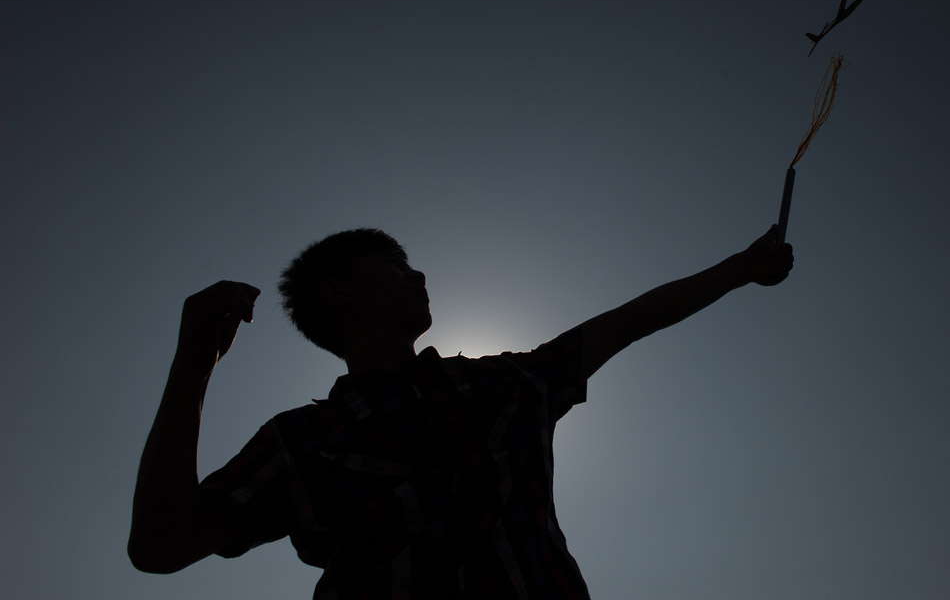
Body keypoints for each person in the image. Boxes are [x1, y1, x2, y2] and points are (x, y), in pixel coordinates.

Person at [128, 225, 793, 598]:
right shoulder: (304, 441)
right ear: (339, 293)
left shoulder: (505, 383)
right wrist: (195, 357)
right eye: (395, 265)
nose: (418, 276)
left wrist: (742, 266)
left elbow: (627, 322)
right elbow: (161, 544)